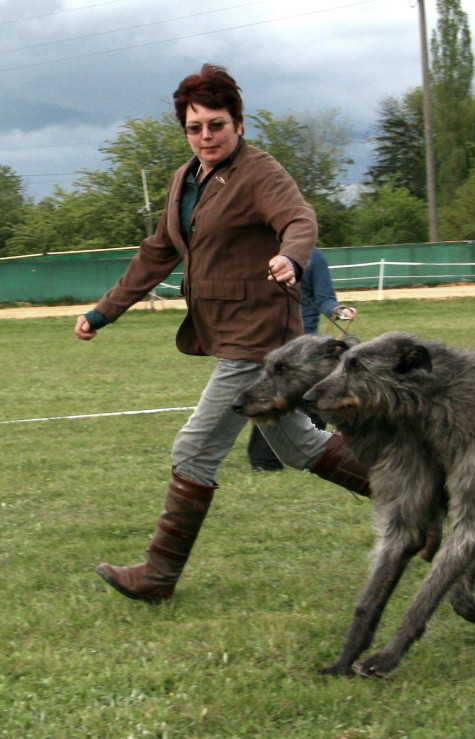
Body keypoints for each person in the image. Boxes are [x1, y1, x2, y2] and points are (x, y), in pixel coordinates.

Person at [75, 64, 370, 604]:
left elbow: (299, 220)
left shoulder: (260, 172)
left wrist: (290, 256)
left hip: (258, 341)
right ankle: (425, 503)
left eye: (216, 124)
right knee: (300, 445)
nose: (206, 136)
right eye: (195, 127)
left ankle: (158, 576)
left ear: (238, 122)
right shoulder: (185, 180)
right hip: (230, 332)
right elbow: (157, 252)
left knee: (193, 449)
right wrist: (102, 313)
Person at [247, 247, 355, 472]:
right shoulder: (254, 252)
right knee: (269, 398)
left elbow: (324, 298)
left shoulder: (314, 257)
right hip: (268, 343)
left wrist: (338, 310)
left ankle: (323, 454)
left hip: (305, 351)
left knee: (315, 402)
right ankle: (264, 462)